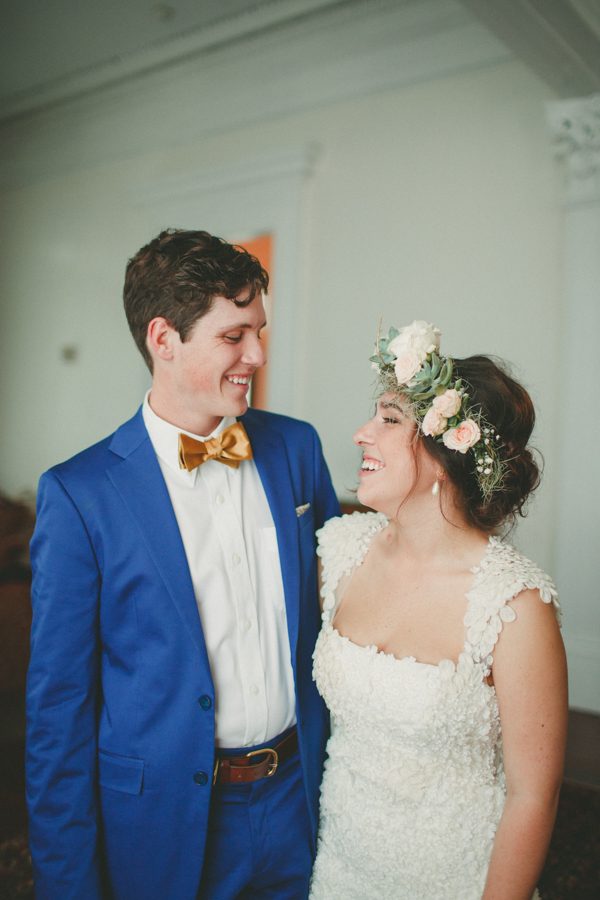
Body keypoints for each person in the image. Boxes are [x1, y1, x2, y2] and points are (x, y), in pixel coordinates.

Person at [26, 229, 339, 900]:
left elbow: (339, 613)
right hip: (164, 820)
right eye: (234, 337)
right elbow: (59, 713)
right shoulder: (79, 496)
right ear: (164, 339)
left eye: (259, 331)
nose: (257, 355)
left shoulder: (297, 449)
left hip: (299, 796)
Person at [309, 321, 567, 900]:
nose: (361, 434)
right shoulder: (341, 551)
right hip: (339, 871)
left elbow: (534, 796)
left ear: (447, 448)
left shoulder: (514, 605)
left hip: (454, 877)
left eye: (389, 420)